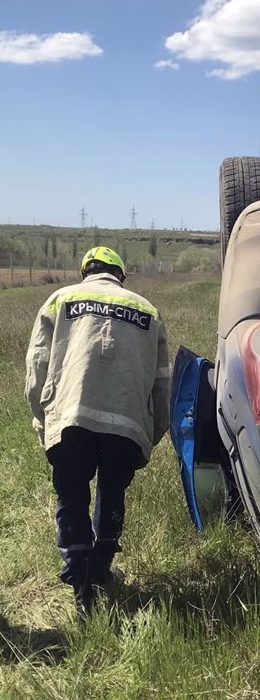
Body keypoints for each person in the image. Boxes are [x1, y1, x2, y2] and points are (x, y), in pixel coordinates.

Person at [25, 246, 170, 616]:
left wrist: (44, 420)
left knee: (72, 496)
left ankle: (80, 584)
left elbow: (37, 365)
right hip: (126, 423)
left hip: (71, 420)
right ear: (120, 274)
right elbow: (162, 382)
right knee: (112, 491)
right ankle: (102, 567)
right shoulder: (148, 311)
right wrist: (152, 432)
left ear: (85, 271)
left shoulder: (61, 299)